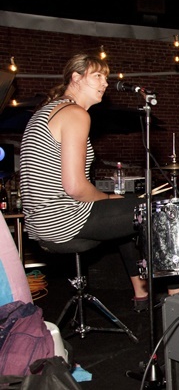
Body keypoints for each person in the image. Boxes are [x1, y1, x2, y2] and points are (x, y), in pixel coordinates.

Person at [19, 53, 148, 311]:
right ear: (75, 78)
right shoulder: (75, 113)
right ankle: (178, 298)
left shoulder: (46, 111)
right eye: (97, 75)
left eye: (106, 77)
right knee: (154, 210)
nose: (105, 83)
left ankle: (140, 293)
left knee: (126, 213)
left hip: (39, 225)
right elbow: (75, 187)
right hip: (62, 220)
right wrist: (108, 198)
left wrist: (111, 202)